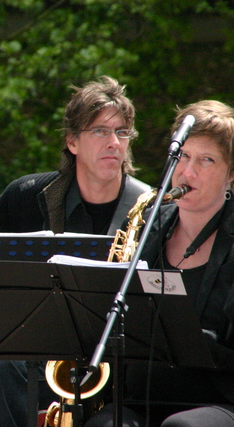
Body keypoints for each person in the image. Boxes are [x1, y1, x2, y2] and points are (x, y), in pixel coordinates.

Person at [0, 76, 151, 427]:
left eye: (122, 132)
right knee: (0, 369)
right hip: (39, 352)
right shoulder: (26, 196)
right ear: (72, 141)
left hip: (118, 357)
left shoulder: (152, 211)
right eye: (100, 131)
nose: (114, 143)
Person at [85, 100, 234, 427]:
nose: (188, 171)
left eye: (206, 160)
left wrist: (191, 342)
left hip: (220, 399)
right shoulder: (148, 224)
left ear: (231, 174)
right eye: (182, 156)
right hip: (143, 396)